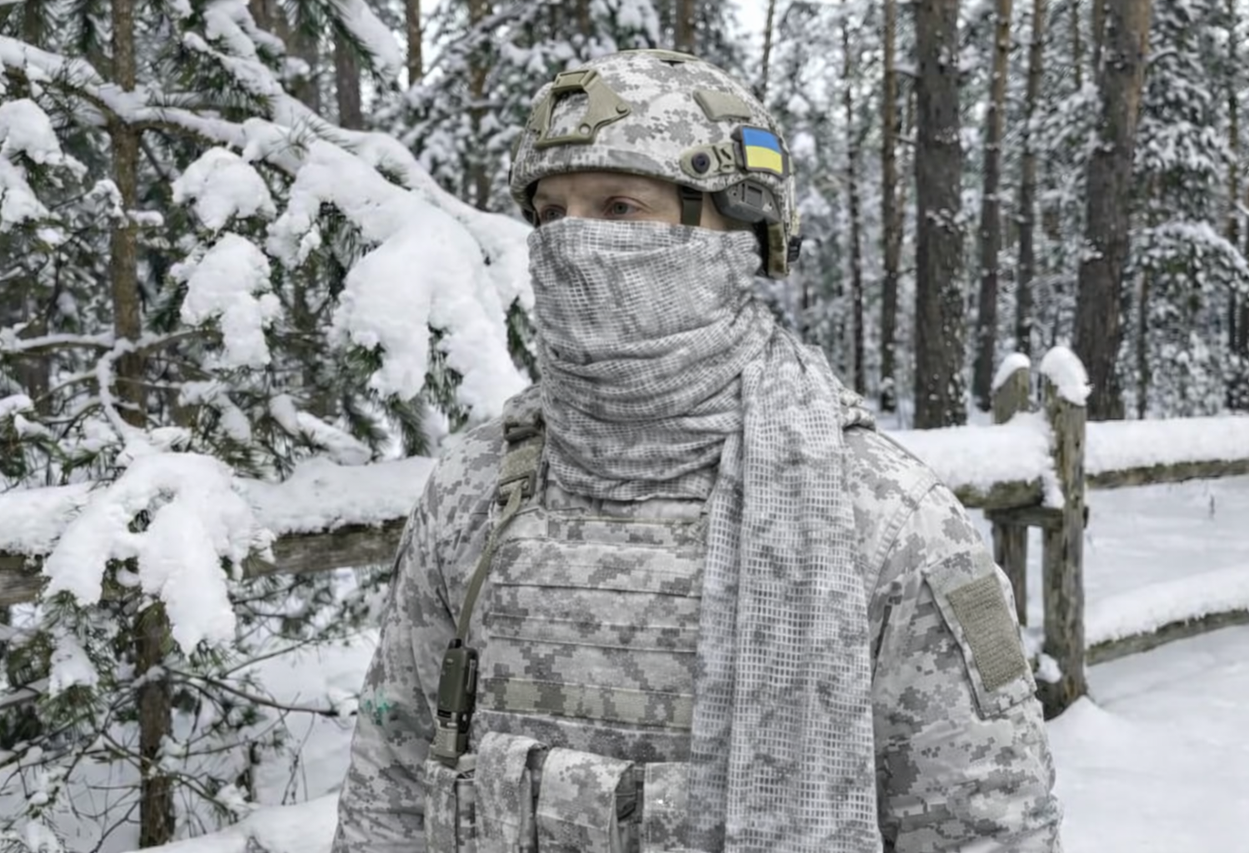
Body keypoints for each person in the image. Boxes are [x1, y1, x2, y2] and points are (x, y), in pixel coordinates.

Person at [332, 49, 1062, 853]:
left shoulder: (887, 519)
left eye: (620, 207)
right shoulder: (476, 485)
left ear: (739, 230)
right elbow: (390, 781)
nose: (574, 243)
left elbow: (989, 828)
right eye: (551, 212)